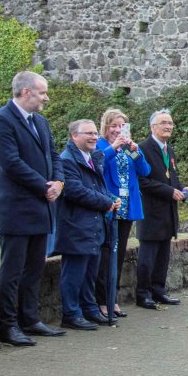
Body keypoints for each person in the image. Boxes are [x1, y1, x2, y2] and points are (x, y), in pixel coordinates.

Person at [0, 72, 66, 345]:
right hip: (16, 209)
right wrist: (45, 186)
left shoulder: (40, 122)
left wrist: (59, 182)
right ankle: (7, 326)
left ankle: (30, 320)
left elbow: (54, 156)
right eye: (42, 92)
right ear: (25, 92)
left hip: (41, 208)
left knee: (34, 269)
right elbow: (11, 163)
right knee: (12, 271)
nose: (46, 97)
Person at [54, 120, 122, 330]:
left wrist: (111, 198)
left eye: (94, 133)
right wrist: (106, 202)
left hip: (93, 226)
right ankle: (71, 314)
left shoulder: (91, 158)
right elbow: (75, 191)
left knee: (90, 273)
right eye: (88, 134)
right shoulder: (67, 160)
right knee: (74, 274)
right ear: (75, 136)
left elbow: (97, 187)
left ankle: (89, 309)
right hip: (76, 226)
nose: (94, 137)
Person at [94, 109, 150, 320]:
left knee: (118, 255)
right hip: (109, 205)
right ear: (106, 127)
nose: (118, 130)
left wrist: (136, 152)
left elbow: (145, 171)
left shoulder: (128, 147)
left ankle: (113, 298)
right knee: (105, 256)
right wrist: (113, 147)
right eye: (114, 126)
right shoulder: (100, 145)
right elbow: (96, 165)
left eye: (122, 126)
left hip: (127, 207)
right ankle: (101, 300)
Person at [136, 109, 188, 309]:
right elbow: (141, 181)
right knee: (147, 257)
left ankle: (159, 291)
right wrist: (169, 191)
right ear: (153, 127)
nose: (168, 126)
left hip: (168, 213)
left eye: (170, 123)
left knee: (162, 257)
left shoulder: (169, 150)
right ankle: (143, 294)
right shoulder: (142, 148)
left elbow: (170, 177)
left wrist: (182, 188)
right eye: (163, 123)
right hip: (150, 212)